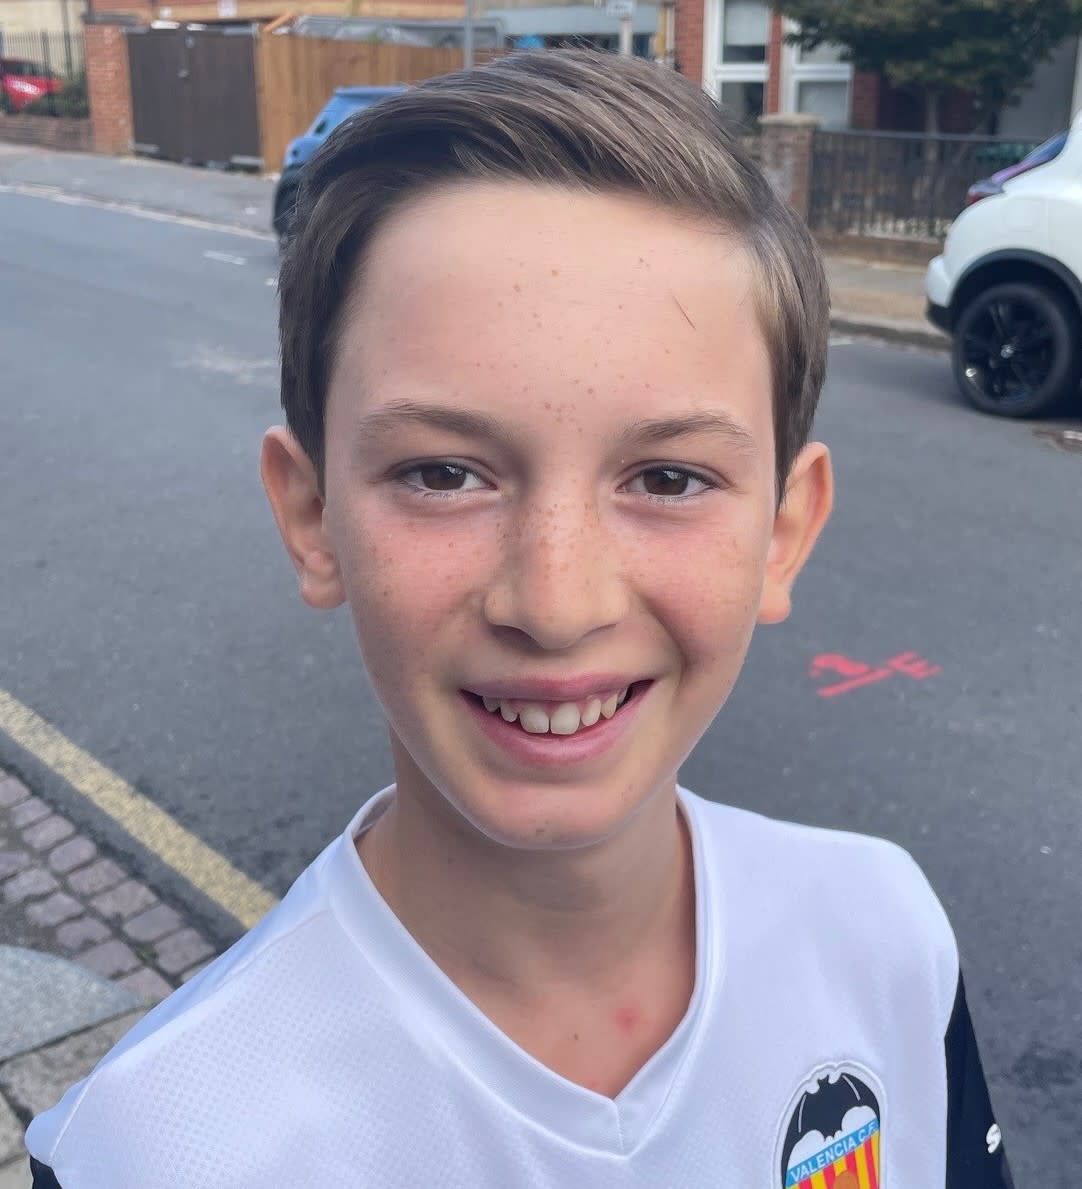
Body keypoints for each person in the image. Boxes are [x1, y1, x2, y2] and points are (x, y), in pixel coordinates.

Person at [26, 50, 1013, 1187]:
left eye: (669, 478)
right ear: (310, 515)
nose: (556, 604)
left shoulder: (885, 937)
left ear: (784, 531)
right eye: (444, 473)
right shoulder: (159, 1149)